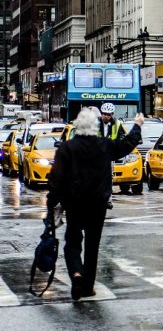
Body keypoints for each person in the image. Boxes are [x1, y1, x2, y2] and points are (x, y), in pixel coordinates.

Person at [46, 109, 144, 301]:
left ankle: (76, 274)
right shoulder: (104, 145)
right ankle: (88, 286)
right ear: (95, 126)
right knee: (92, 245)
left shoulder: (67, 148)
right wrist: (137, 125)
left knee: (72, 242)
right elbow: (126, 145)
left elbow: (56, 179)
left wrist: (52, 203)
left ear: (76, 125)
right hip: (98, 203)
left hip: (74, 203)